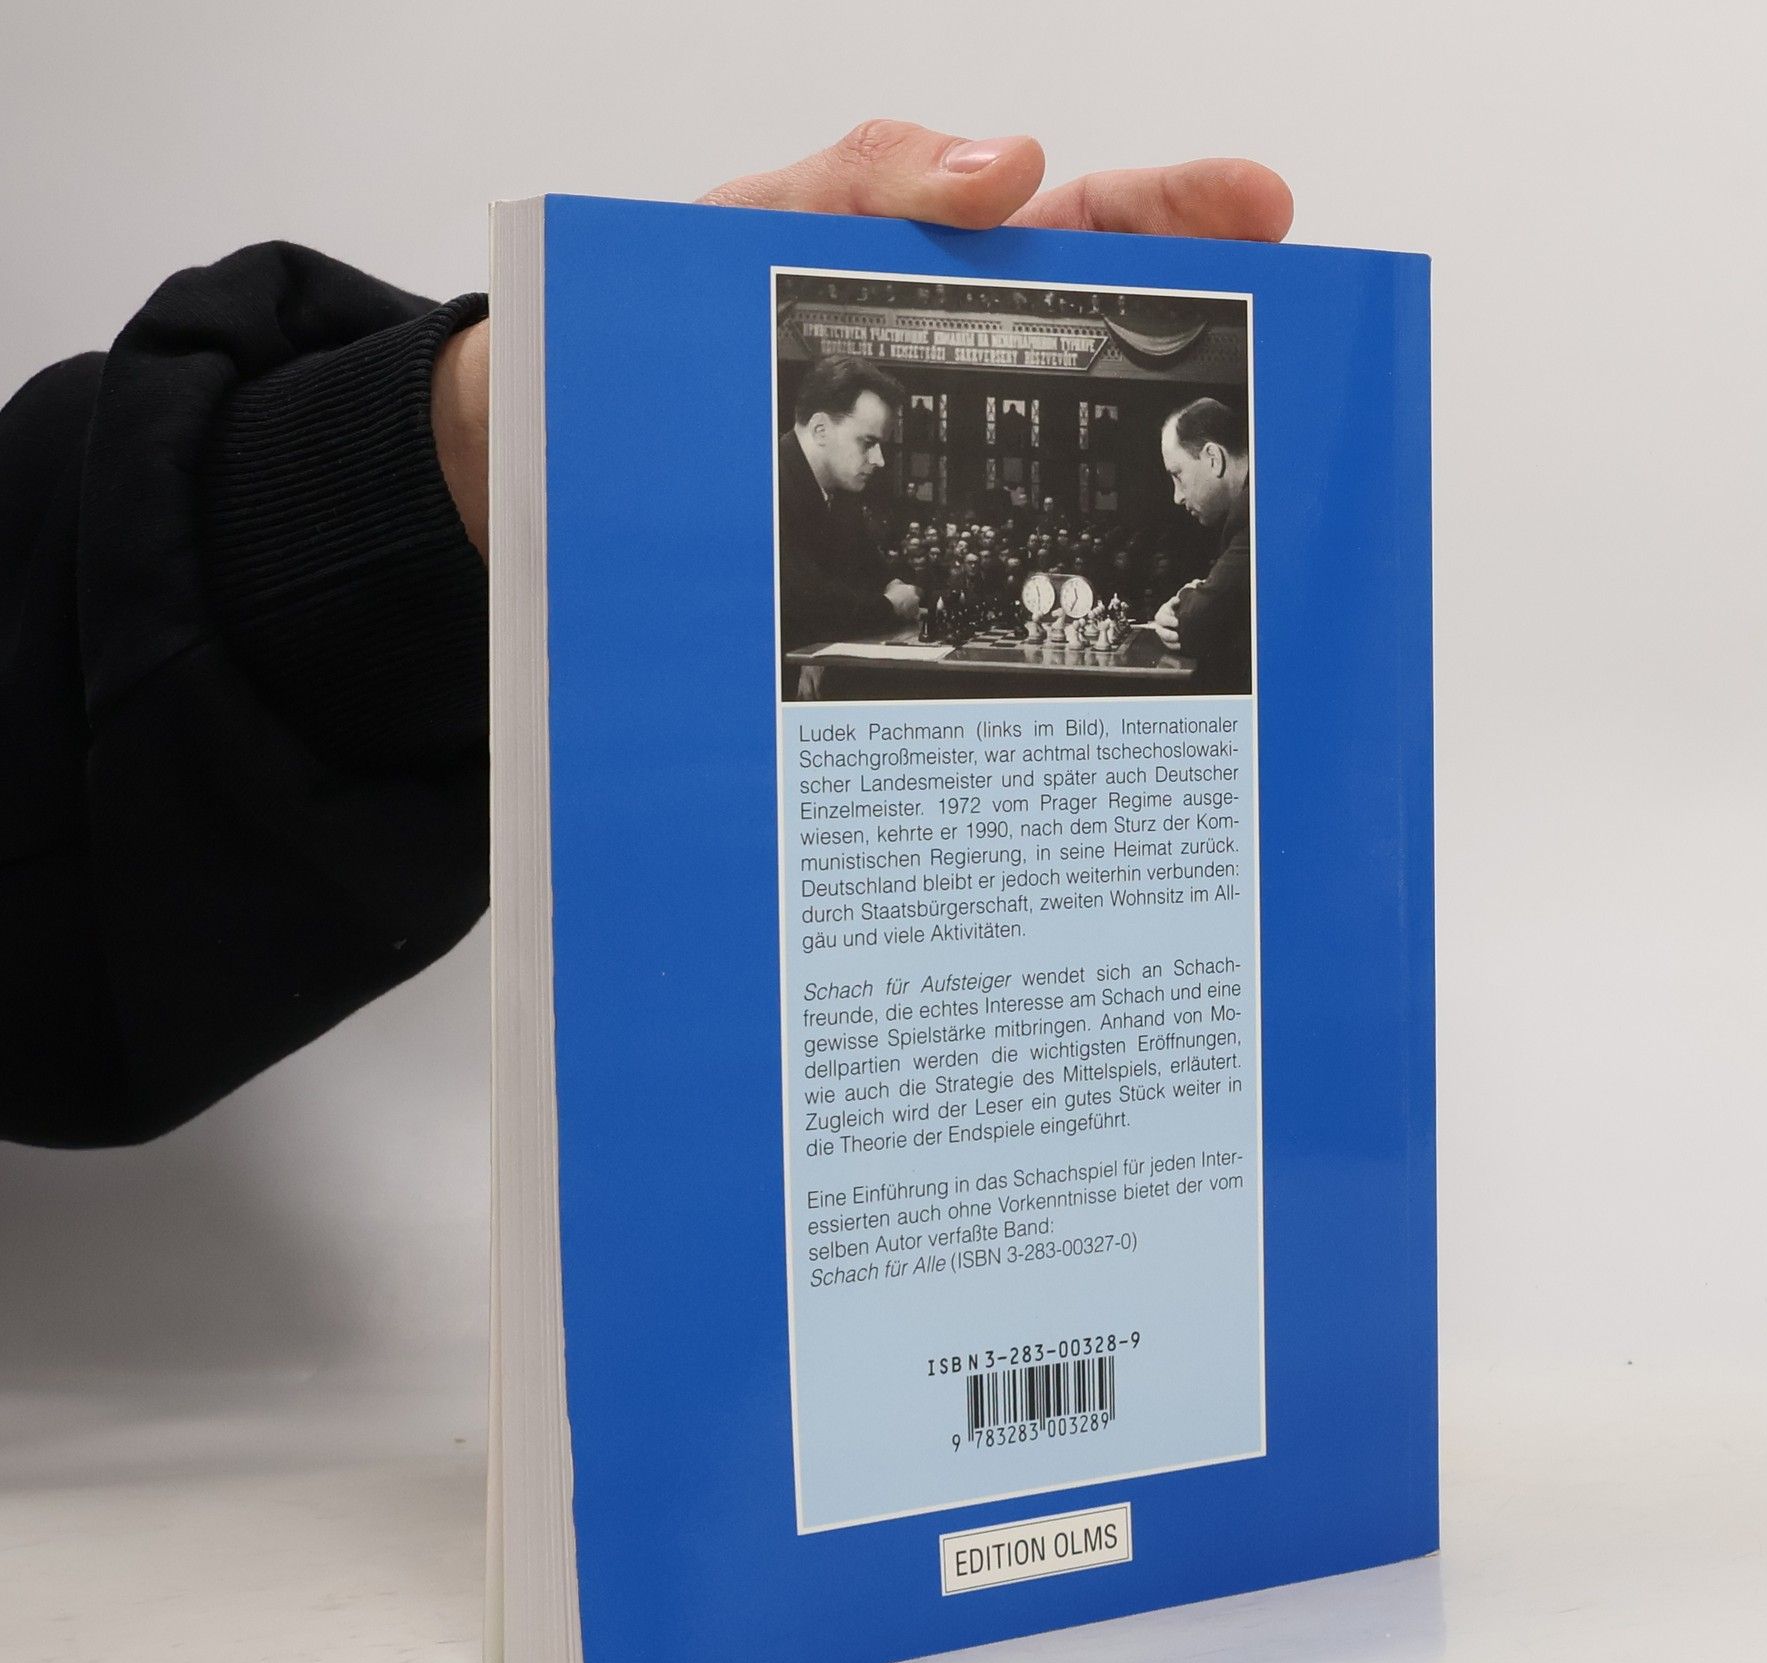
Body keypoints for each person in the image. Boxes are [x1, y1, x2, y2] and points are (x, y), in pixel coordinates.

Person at [0, 120, 1291, 1149]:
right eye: (873, 442)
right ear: (818, 423)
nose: (884, 466)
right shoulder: (774, 483)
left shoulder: (837, 496)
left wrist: (467, 459)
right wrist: (475, 455)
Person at [777, 355, 920, 644]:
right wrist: (890, 605)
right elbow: (807, 607)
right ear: (820, 429)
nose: (879, 460)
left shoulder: (840, 493)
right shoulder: (768, 484)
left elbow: (872, 575)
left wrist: (894, 588)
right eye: (868, 443)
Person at [1151, 396, 1253, 693]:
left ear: (1213, 458)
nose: (1177, 497)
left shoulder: (1252, 513)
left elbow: (1194, 627)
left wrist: (1184, 598)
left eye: (1178, 475)